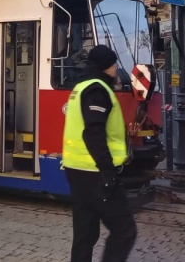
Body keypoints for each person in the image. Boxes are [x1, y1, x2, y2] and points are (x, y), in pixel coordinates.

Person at [62, 45, 137, 262]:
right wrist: (107, 170)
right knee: (124, 231)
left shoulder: (81, 86)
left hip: (75, 170)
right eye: (113, 64)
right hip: (95, 172)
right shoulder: (97, 90)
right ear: (106, 66)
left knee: (85, 234)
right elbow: (93, 132)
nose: (116, 68)